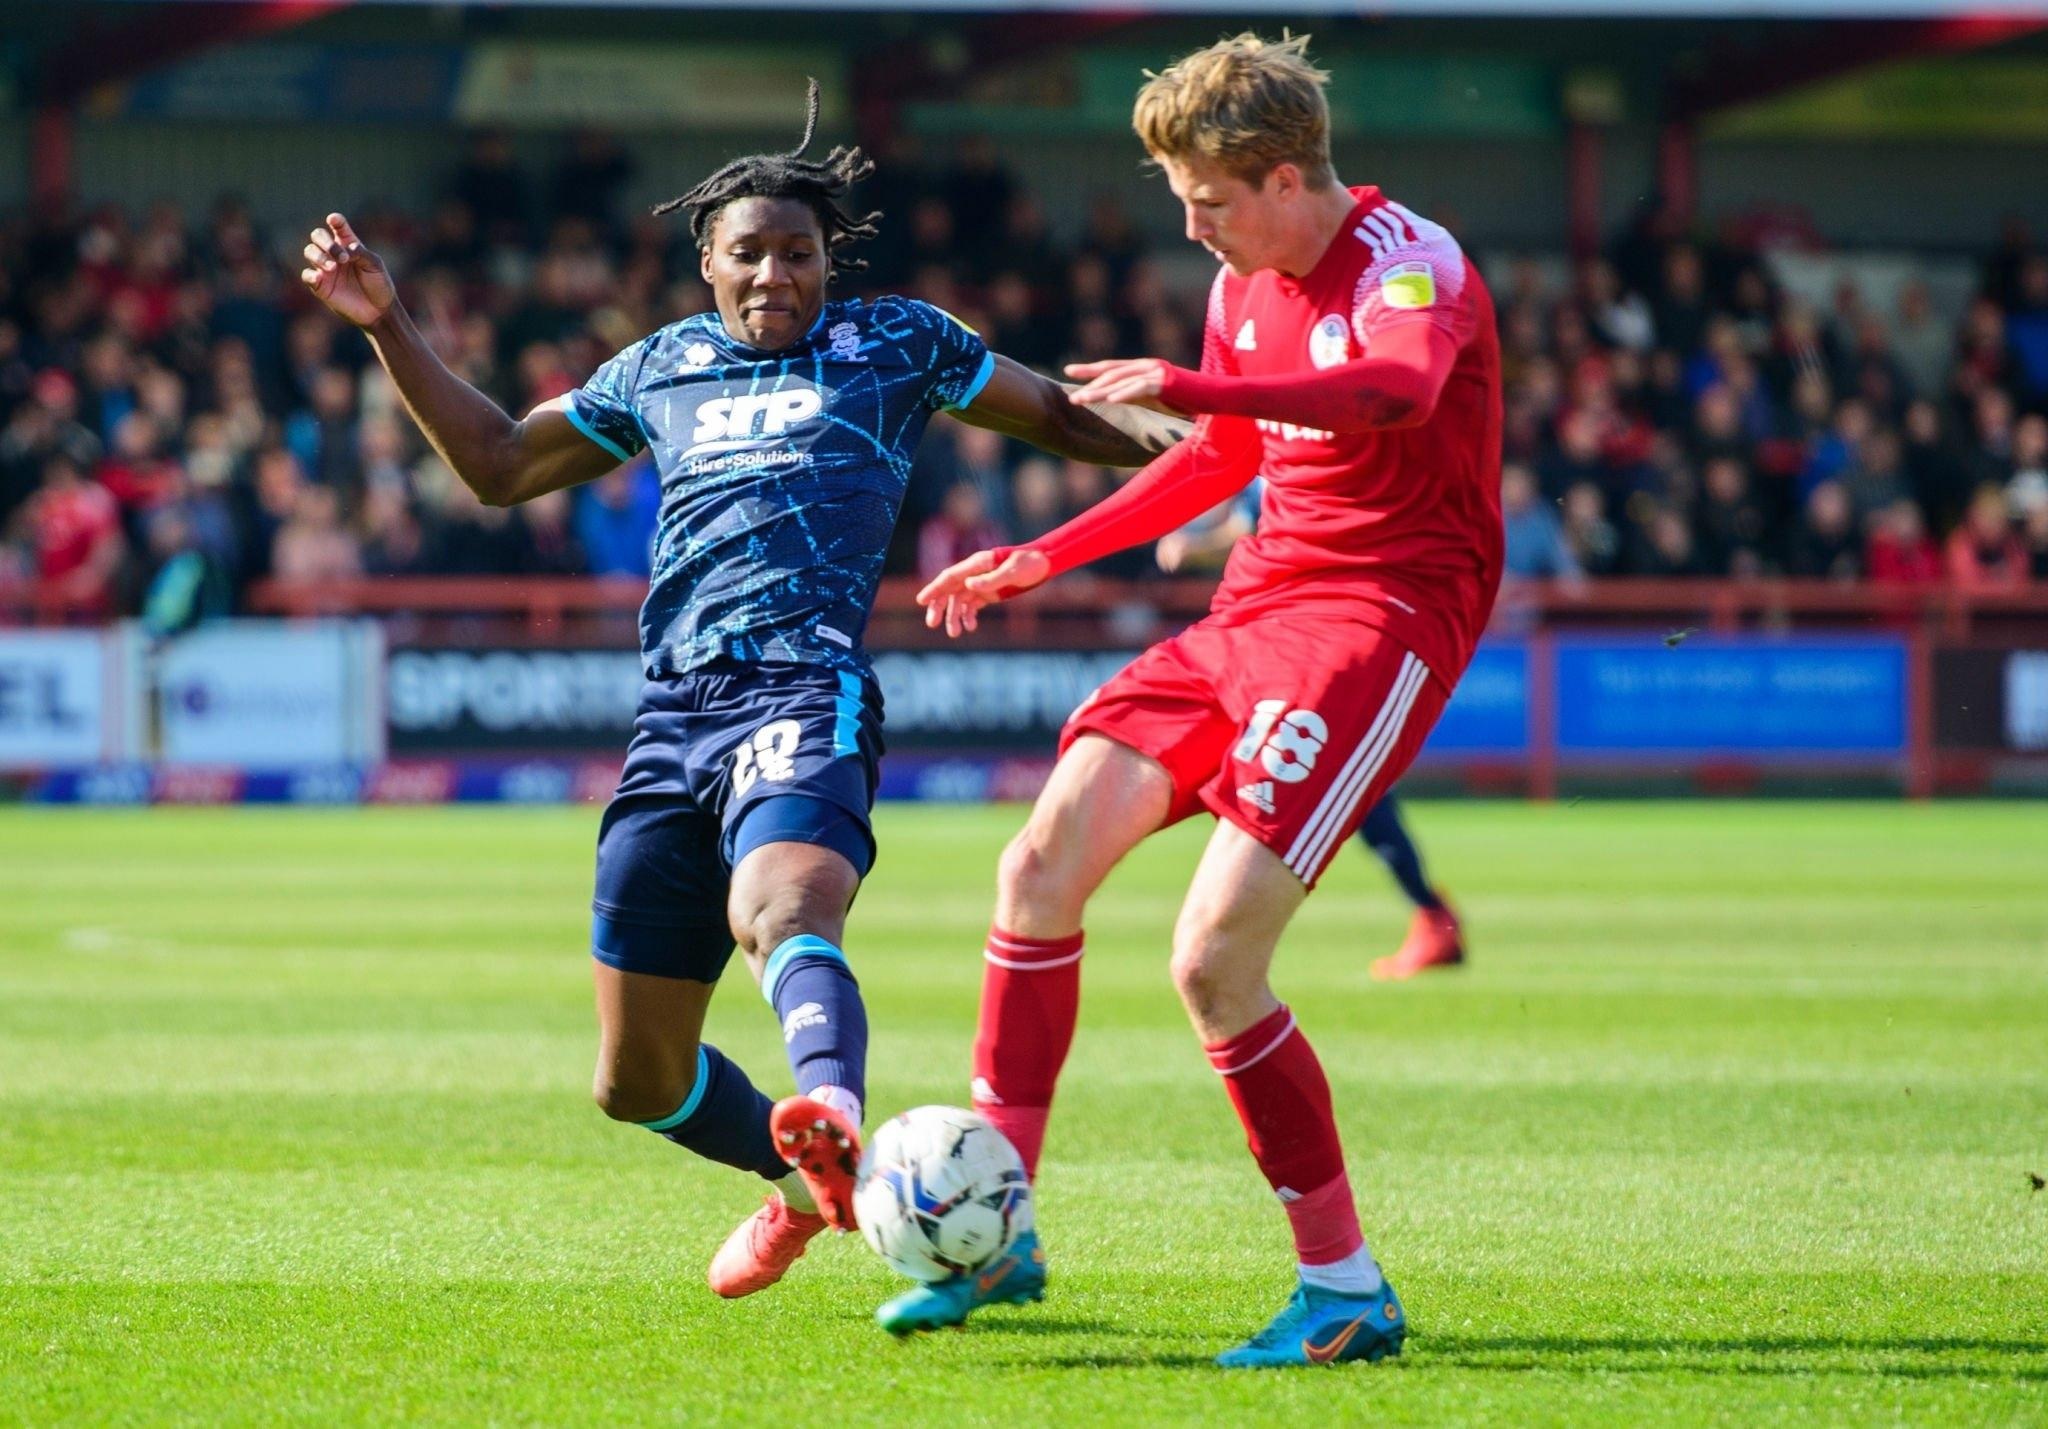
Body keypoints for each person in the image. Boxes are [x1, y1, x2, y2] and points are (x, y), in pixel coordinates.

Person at [298, 84, 1180, 1303]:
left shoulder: (896, 343)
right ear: (707, 263)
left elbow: (1069, 422)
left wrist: (1229, 434)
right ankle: (805, 1181)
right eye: (750, 253)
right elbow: (498, 465)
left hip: (803, 689)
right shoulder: (657, 366)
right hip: (672, 718)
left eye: (797, 253)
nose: (775, 273)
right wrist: (388, 324)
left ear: (827, 262)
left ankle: (830, 1109)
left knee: (781, 907)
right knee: (635, 1081)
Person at [908, 33, 1502, 1365]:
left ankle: (1345, 1290)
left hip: (1380, 619)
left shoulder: (1410, 261)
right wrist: (1047, 554)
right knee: (1037, 867)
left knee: (1212, 961)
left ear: (1286, 178)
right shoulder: (1241, 283)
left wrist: (1189, 385)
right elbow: (1223, 455)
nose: (1192, 226)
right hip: (1250, 611)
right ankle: (997, 1232)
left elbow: (1394, 392)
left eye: (1208, 200)